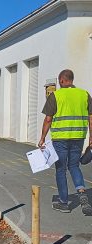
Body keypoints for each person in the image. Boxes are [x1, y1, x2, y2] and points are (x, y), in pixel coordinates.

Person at [39, 69, 92, 215]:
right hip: (78, 138)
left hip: (60, 139)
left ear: (62, 80)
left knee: (61, 169)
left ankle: (63, 202)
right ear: (71, 80)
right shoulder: (84, 94)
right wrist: (91, 138)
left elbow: (48, 119)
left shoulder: (55, 95)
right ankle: (81, 192)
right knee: (74, 166)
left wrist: (42, 138)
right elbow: (91, 118)